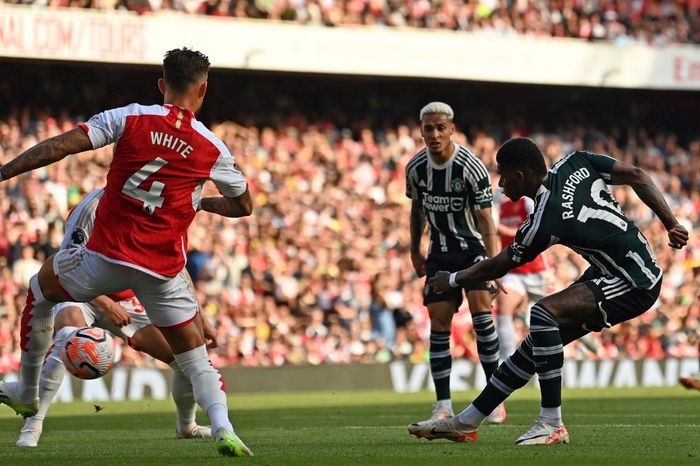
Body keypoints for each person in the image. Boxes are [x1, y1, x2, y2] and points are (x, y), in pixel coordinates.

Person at [0, 48, 254, 457]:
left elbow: (61, 146)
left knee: (39, 288)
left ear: (161, 84)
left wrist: (4, 171)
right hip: (161, 273)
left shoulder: (129, 116)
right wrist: (203, 202)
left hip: (104, 261)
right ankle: (224, 427)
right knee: (197, 362)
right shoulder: (214, 148)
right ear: (204, 89)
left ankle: (26, 392)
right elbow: (244, 207)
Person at [409, 137, 688, 445]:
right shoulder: (575, 161)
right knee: (535, 346)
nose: (500, 184)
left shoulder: (543, 219)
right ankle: (466, 422)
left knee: (543, 312)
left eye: (503, 175)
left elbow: (498, 266)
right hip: (624, 268)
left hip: (633, 280)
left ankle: (551, 422)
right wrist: (671, 223)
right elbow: (637, 175)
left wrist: (451, 280)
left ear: (519, 176)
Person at [17, 188, 215, 448]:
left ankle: (186, 426)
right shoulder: (90, 209)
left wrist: (199, 315)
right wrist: (106, 303)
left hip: (128, 299)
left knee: (184, 360)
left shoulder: (157, 206)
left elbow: (176, 268)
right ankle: (33, 424)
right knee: (67, 336)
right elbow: (65, 268)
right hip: (82, 294)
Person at [405, 102, 504, 426]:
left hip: (473, 249)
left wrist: (493, 264)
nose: (433, 134)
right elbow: (417, 209)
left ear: (451, 129)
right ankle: (443, 404)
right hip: (440, 253)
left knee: (481, 315)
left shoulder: (471, 167)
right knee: (439, 323)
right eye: (427, 128)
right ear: (421, 131)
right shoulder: (416, 168)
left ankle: (493, 400)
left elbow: (485, 216)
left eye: (439, 128)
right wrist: (415, 249)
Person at [495, 196, 553, 362]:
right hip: (514, 271)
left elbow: (535, 231)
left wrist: (502, 229)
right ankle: (507, 359)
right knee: (503, 308)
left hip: (538, 270)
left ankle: (580, 339)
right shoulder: (502, 206)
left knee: (555, 313)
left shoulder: (527, 202)